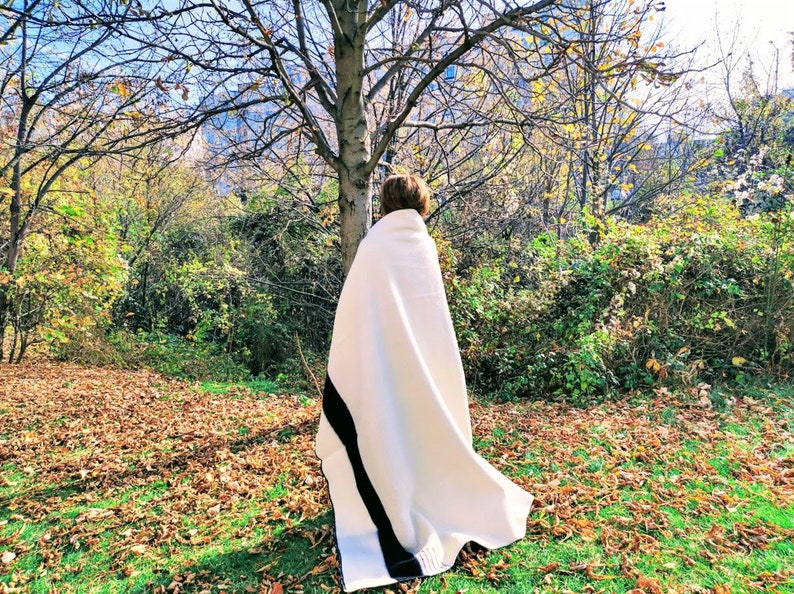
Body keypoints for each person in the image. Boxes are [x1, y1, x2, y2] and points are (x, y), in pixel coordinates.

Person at [315, 174, 533, 592]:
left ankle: (405, 493)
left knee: (395, 432)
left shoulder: (373, 247)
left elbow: (354, 321)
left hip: (386, 370)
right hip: (429, 369)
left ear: (385, 204)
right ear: (421, 205)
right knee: (425, 432)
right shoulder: (424, 245)